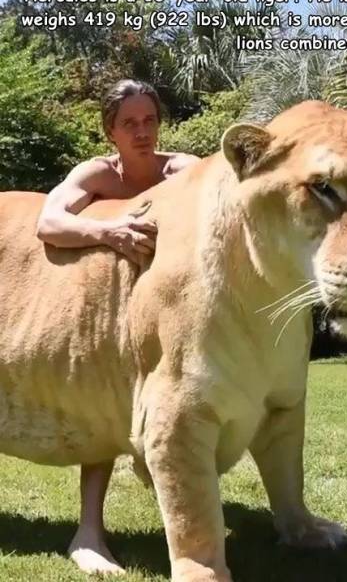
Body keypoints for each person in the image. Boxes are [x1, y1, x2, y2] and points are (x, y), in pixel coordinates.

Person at [36, 79, 202, 574]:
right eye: (129, 123)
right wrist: (105, 230)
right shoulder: (98, 174)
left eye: (149, 119)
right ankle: (88, 532)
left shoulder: (183, 170)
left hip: (174, 315)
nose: (142, 131)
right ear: (110, 130)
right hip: (112, 315)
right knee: (106, 405)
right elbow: (49, 222)